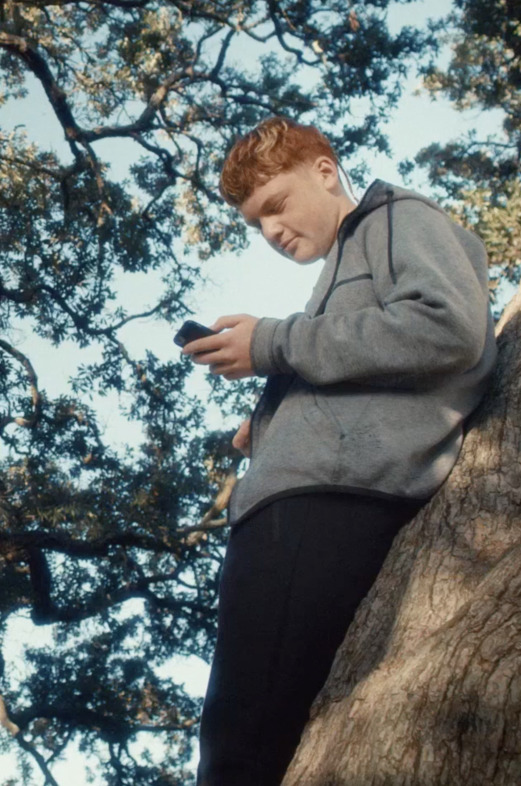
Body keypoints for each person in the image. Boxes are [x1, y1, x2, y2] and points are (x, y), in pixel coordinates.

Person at [181, 117, 497, 785]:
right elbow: (364, 361)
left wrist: (272, 346)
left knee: (242, 750)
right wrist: (273, 418)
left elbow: (448, 328)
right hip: (299, 499)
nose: (270, 230)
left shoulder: (394, 216)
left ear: (325, 171)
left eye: (275, 205)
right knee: (257, 738)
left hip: (326, 503)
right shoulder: (341, 266)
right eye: (254, 223)